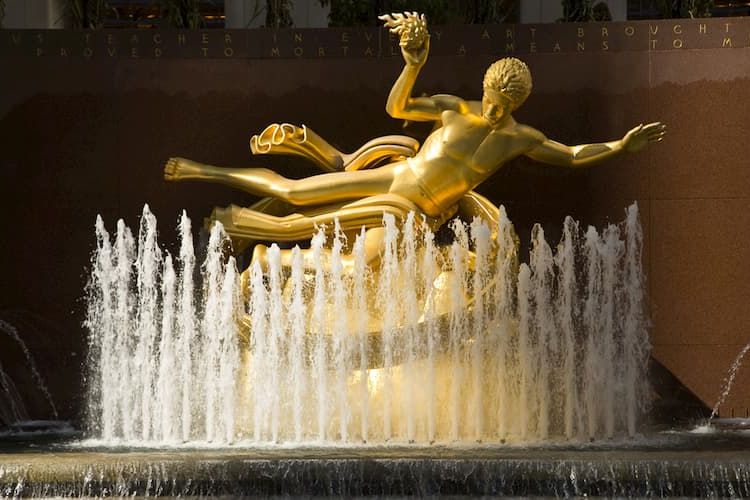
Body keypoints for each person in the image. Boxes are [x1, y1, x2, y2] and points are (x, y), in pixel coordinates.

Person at [164, 12, 665, 270]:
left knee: (322, 237)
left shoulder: (520, 138)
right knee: (294, 194)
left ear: (516, 105)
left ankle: (246, 231)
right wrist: (413, 64)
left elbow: (573, 155)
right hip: (396, 177)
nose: (492, 108)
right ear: (486, 88)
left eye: (502, 105)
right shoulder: (454, 108)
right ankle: (203, 171)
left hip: (415, 214)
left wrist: (620, 146)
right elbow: (397, 109)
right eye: (491, 97)